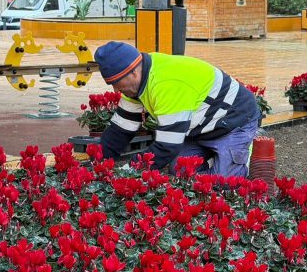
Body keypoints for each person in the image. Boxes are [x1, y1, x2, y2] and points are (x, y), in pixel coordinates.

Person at [94, 41, 261, 176]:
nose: (115, 90)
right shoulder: (137, 82)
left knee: (224, 182)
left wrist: (129, 172)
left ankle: (242, 156)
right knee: (180, 172)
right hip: (199, 129)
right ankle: (216, 156)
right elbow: (121, 129)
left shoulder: (167, 84)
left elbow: (167, 145)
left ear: (133, 72)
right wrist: (99, 161)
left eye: (116, 83)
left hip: (234, 122)